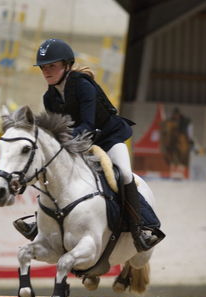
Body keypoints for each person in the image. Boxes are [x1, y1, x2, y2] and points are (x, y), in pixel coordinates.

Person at [15, 38, 161, 252]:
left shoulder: (83, 85)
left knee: (124, 174)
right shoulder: (50, 97)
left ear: (67, 65)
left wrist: (62, 139)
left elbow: (88, 124)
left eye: (52, 66)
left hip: (108, 137)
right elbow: (60, 127)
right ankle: (39, 222)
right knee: (54, 172)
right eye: (44, 68)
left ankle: (144, 227)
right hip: (81, 142)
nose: (46, 71)